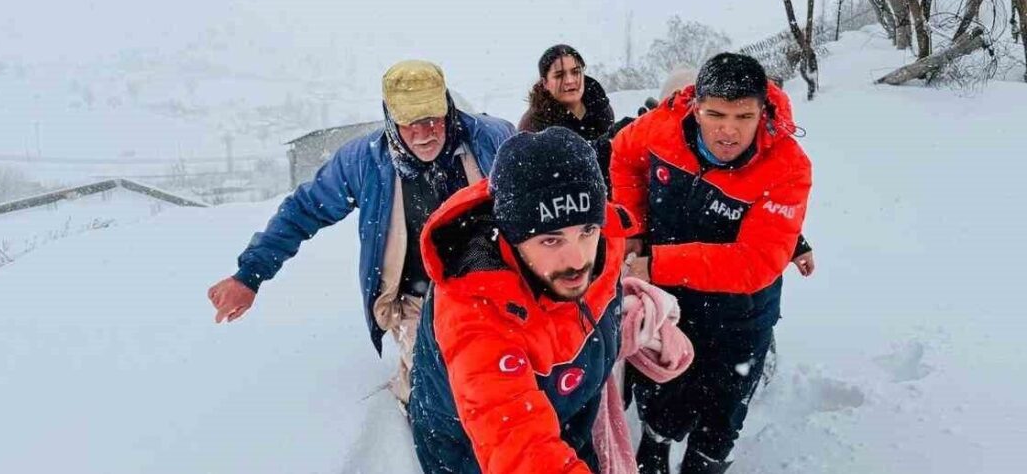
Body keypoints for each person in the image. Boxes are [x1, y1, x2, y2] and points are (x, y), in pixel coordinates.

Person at [206, 60, 514, 404]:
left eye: (432, 119)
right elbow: (304, 210)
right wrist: (249, 275)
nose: (424, 132)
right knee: (444, 391)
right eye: (410, 123)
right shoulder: (366, 162)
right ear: (391, 120)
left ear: (448, 109)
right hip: (417, 300)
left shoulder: (492, 141)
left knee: (506, 377)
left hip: (496, 287)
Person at [611, 53, 813, 474]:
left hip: (739, 320)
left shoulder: (788, 167)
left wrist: (656, 263)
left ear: (763, 111)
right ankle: (654, 453)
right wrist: (633, 229)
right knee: (660, 394)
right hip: (668, 307)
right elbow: (624, 155)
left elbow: (754, 263)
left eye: (744, 116)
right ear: (695, 106)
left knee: (720, 420)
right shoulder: (664, 126)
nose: (728, 130)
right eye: (715, 113)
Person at [408, 128, 638, 474]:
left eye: (587, 231)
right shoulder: (473, 307)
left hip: (567, 422)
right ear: (511, 238)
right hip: (472, 452)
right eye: (551, 240)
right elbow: (516, 441)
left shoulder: (604, 248)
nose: (577, 261)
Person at [518, 44, 615, 141]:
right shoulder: (532, 125)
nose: (570, 80)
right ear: (545, 83)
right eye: (559, 76)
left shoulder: (600, 106)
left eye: (576, 72)